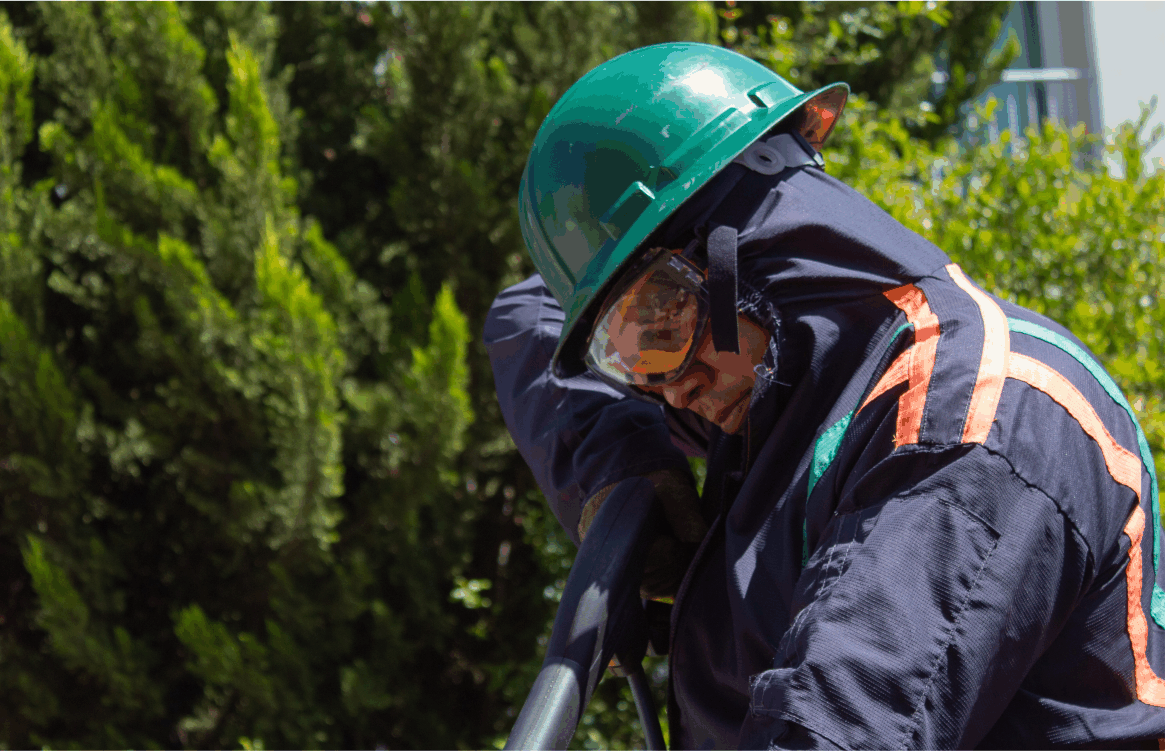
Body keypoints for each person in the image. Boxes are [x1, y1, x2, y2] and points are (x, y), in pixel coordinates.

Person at [485, 42, 1165, 748]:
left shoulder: (962, 426)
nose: (671, 392)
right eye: (627, 359)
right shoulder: (776, 394)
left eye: (661, 328)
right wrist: (623, 471)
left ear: (755, 247)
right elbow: (527, 314)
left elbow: (839, 727)